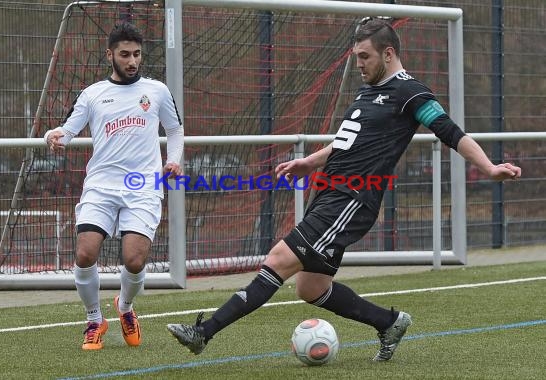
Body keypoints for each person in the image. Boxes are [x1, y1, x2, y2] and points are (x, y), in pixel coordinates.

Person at [166, 18, 521, 361]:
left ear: (388, 53)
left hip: (352, 200)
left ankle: (204, 332)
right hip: (331, 194)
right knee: (311, 288)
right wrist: (310, 162)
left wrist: (488, 167)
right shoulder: (368, 92)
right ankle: (389, 323)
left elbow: (450, 131)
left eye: (364, 56)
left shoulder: (410, 93)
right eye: (356, 57)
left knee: (277, 260)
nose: (359, 64)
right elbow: (345, 142)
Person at [44, 22, 184, 350]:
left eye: (137, 54)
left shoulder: (158, 91)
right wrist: (53, 136)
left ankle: (125, 307)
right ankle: (94, 318)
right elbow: (68, 129)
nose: (132, 60)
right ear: (110, 55)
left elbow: (175, 130)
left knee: (134, 261)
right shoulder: (93, 94)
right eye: (125, 54)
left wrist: (174, 159)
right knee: (84, 253)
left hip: (143, 186)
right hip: (101, 185)